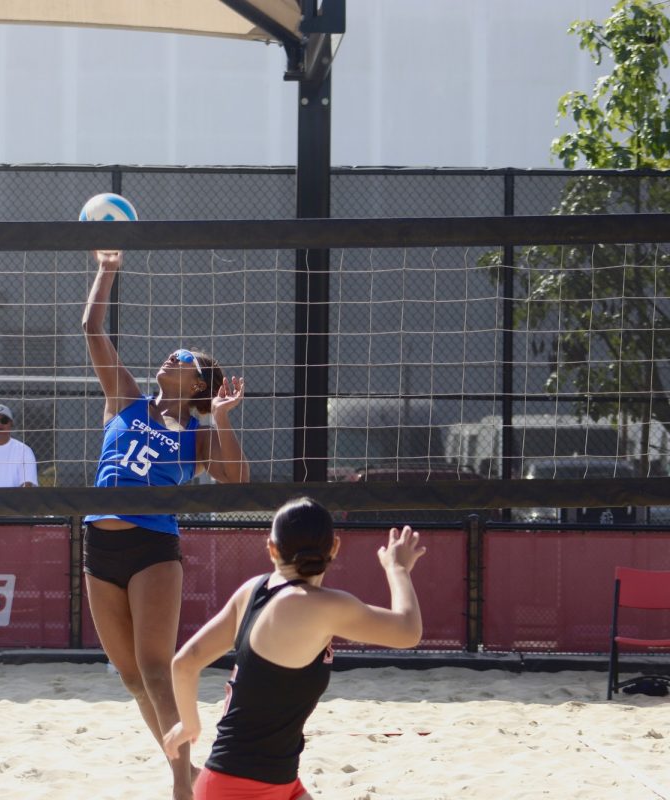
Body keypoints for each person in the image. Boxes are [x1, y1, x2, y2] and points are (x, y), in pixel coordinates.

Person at [81, 249, 250, 800]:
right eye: (171, 355)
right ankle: (191, 773)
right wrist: (107, 269)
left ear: (198, 384)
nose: (169, 359)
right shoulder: (125, 398)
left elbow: (236, 482)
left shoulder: (198, 434)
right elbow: (91, 327)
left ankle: (183, 783)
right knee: (130, 678)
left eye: (182, 360)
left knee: (155, 671)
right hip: (98, 542)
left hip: (153, 546)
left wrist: (221, 420)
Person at [162, 497, 426, 800]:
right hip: (240, 787)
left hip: (267, 780)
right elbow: (408, 631)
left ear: (272, 548)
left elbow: (185, 661)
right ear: (335, 548)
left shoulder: (253, 591)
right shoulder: (322, 605)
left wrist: (188, 724)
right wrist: (398, 568)